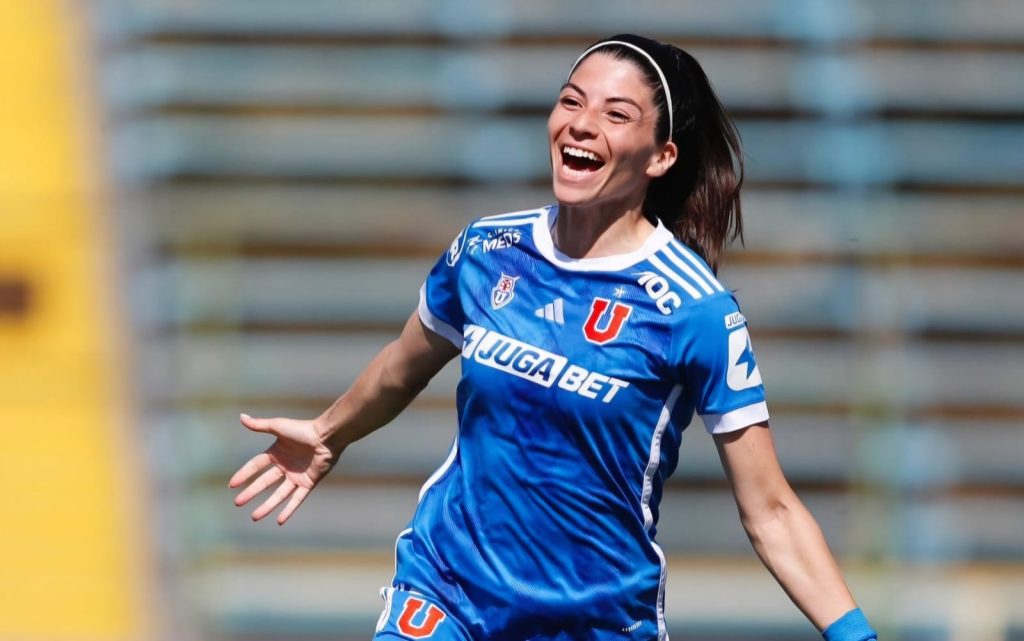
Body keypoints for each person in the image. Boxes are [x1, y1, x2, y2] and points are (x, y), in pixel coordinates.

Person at [229, 34, 878, 641]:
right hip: (446, 590)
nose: (582, 123)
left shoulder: (695, 309)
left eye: (616, 114)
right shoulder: (488, 250)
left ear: (662, 156)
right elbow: (404, 365)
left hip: (593, 616)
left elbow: (771, 510)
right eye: (571, 100)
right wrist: (328, 432)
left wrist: (854, 632)